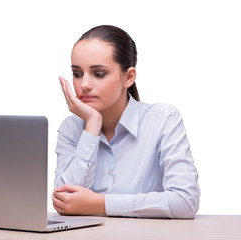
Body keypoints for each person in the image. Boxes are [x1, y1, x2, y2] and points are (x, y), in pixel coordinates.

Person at [52, 25, 200, 219]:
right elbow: (66, 201)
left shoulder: (163, 119)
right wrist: (93, 124)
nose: (84, 85)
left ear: (128, 77)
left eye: (98, 74)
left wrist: (99, 203)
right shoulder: (71, 128)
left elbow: (185, 202)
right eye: (77, 74)